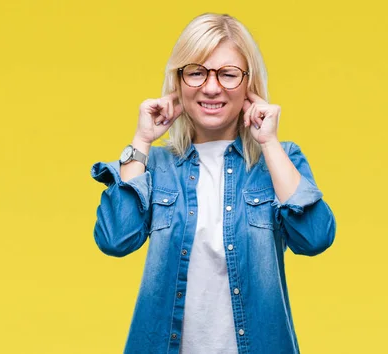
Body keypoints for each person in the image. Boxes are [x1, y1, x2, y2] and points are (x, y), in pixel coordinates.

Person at [90, 13, 336, 354]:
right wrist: (142, 140)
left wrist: (269, 142)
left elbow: (315, 237)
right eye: (196, 72)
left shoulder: (280, 160)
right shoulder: (156, 166)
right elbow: (116, 239)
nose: (210, 87)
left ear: (248, 84)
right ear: (178, 81)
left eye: (228, 74)